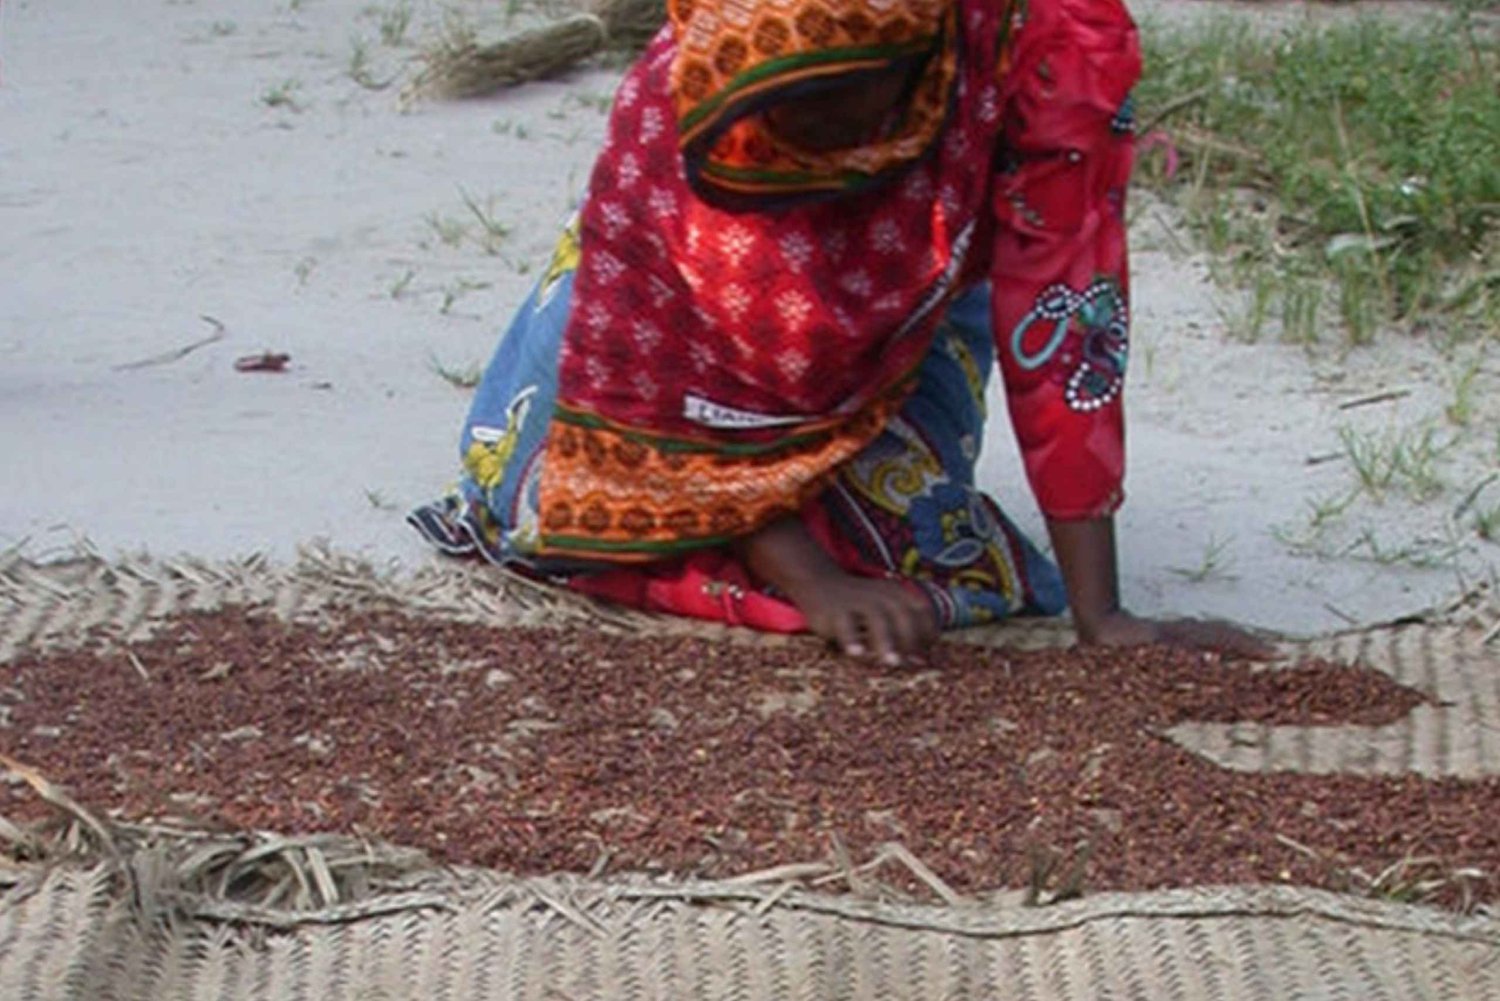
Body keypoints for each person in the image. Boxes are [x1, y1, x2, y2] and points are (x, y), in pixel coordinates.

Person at [410, 0, 1271, 664]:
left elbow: (1064, 313)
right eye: (790, 115)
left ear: (919, 58)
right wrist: (809, 580)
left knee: (920, 546)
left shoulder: (1034, 45)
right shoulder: (693, 82)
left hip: (903, 314)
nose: (810, 138)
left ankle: (781, 510)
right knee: (565, 508)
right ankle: (758, 527)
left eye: (838, 108)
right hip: (667, 345)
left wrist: (1103, 615)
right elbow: (651, 350)